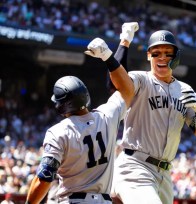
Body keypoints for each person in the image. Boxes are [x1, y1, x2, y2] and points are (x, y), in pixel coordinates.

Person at [25, 23, 138, 204]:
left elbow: (45, 176)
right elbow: (127, 88)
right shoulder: (107, 116)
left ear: (60, 106)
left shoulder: (58, 132)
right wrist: (111, 53)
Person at [110, 27, 196, 204]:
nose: (162, 57)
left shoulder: (185, 90)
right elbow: (116, 84)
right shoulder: (140, 79)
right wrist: (125, 41)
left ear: (176, 57)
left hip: (165, 174)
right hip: (136, 166)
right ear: (148, 56)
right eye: (156, 53)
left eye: (168, 53)